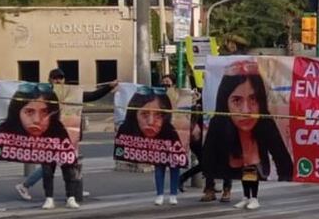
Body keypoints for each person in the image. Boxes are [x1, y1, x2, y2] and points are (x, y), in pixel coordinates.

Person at [13, 69, 116, 204]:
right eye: (55, 78)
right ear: (49, 79)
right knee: (51, 165)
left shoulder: (73, 93)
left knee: (70, 163)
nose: (58, 80)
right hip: (49, 137)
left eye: (60, 78)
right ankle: (27, 186)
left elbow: (92, 96)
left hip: (70, 136)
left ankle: (74, 191)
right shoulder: (43, 93)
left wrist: (109, 87)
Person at [203, 60, 293, 210]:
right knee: (246, 173)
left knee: (250, 171)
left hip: (254, 169)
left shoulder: (265, 123)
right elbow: (207, 162)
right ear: (225, 103)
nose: (246, 110)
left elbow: (286, 166)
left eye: (253, 99)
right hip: (237, 169)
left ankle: (254, 197)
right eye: (237, 100)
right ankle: (246, 197)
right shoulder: (218, 125)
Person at [118, 76, 187, 206]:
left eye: (158, 115)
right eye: (144, 114)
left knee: (174, 167)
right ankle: (159, 194)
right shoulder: (128, 129)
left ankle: (173, 194)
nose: (151, 121)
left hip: (170, 144)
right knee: (159, 167)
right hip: (156, 149)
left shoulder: (172, 131)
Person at [180, 86, 232, 202]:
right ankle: (210, 189)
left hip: (224, 129)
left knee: (225, 160)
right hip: (206, 132)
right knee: (208, 161)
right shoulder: (200, 96)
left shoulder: (225, 93)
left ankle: (226, 190)